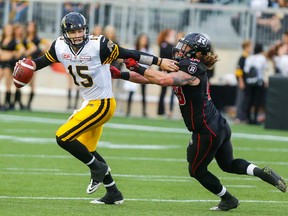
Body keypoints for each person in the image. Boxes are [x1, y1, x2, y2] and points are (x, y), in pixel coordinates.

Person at [110, 32, 287, 211]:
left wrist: (138, 66)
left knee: (195, 170)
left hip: (206, 129)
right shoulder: (186, 65)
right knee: (228, 164)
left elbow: (162, 80)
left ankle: (228, 199)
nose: (181, 48)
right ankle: (260, 172)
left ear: (196, 52)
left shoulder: (192, 67)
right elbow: (152, 78)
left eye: (186, 46)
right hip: (219, 124)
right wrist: (122, 74)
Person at [14, 12, 177, 204]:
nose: (77, 35)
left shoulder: (99, 45)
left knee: (63, 137)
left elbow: (131, 54)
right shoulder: (59, 46)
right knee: (86, 148)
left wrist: (159, 61)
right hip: (89, 102)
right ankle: (113, 192)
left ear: (86, 30)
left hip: (103, 103)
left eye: (80, 30)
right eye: (73, 31)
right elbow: (42, 61)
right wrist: (29, 64)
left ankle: (97, 168)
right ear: (66, 33)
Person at [23, 21, 51, 110]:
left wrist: (42, 51)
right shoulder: (24, 39)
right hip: (23, 62)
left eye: (32, 26)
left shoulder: (37, 39)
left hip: (33, 63)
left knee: (32, 83)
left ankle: (28, 104)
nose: (31, 28)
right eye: (29, 26)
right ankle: (19, 102)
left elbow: (48, 44)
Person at [124, 33, 153, 117]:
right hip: (135, 72)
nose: (144, 41)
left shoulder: (148, 50)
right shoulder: (134, 49)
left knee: (144, 92)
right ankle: (128, 110)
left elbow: (150, 62)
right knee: (131, 91)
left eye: (145, 39)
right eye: (142, 39)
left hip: (145, 72)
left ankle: (144, 111)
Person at [243, 43, 268, 125]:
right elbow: (265, 69)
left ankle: (248, 118)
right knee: (257, 100)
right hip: (258, 82)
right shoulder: (262, 58)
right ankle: (255, 118)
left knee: (249, 100)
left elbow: (246, 70)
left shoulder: (249, 58)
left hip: (249, 82)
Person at [234, 40, 252, 124]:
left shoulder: (249, 57)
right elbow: (238, 70)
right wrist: (241, 81)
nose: (251, 48)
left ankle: (244, 117)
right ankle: (238, 117)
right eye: (250, 46)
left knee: (245, 100)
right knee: (240, 100)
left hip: (247, 83)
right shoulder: (243, 57)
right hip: (243, 82)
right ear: (246, 47)